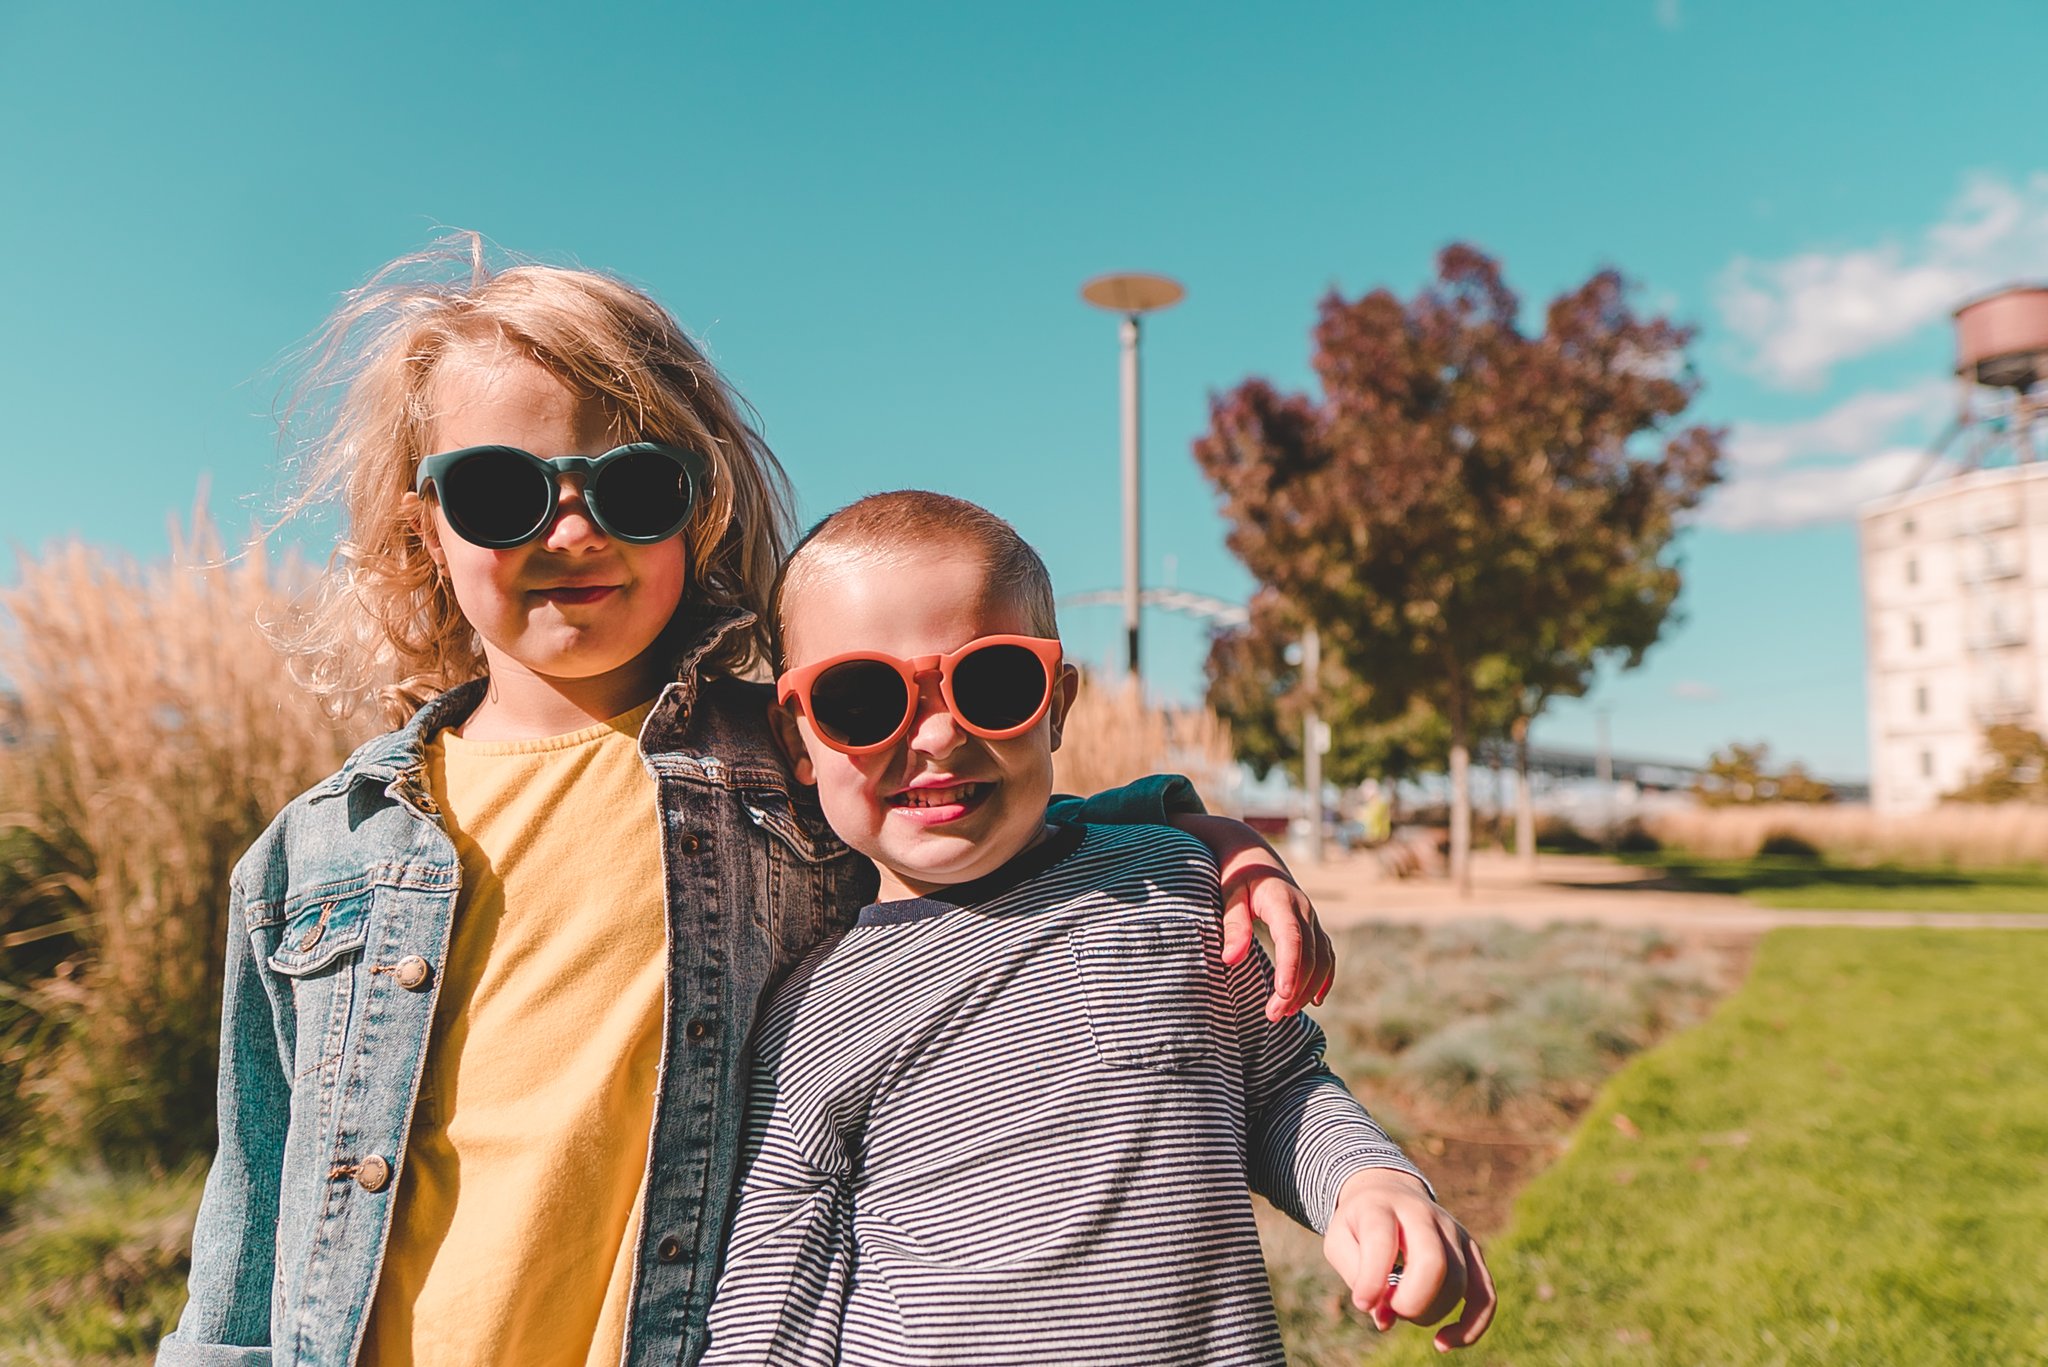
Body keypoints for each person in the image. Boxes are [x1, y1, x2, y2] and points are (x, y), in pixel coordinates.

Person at [157, 239, 1341, 1367]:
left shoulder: (789, 758)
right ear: (426, 529)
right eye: (499, 490)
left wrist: (1201, 834)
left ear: (699, 502)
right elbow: (255, 1199)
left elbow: (984, 809)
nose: (571, 527)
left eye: (631, 484)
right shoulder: (316, 853)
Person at [703, 492, 1495, 1365]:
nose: (936, 735)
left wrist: (1369, 1182)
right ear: (798, 736)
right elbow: (775, 1282)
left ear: (1057, 703)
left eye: (991, 683)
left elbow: (1279, 1089)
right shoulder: (811, 1008)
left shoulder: (1173, 884)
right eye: (861, 698)